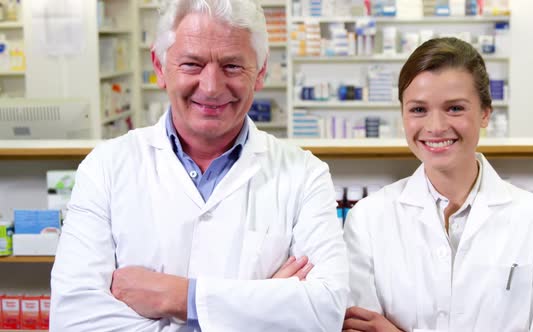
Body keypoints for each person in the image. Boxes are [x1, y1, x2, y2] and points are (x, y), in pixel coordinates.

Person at [50, 0, 349, 330]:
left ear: (261, 72)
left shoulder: (305, 175)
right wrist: (262, 303)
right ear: (160, 67)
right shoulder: (105, 168)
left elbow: (325, 312)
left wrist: (178, 297)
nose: (211, 87)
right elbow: (73, 321)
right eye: (192, 64)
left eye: (232, 67)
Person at [343, 37, 533, 332]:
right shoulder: (367, 219)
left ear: (485, 113)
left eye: (455, 108)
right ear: (402, 115)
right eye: (418, 110)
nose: (436, 127)